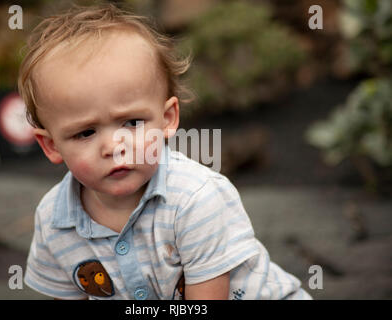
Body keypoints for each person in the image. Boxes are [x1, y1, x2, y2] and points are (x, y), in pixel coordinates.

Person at [18, 3, 312, 300]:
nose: (113, 146)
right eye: (86, 132)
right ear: (52, 145)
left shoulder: (195, 199)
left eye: (132, 122)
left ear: (168, 118)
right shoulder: (54, 220)